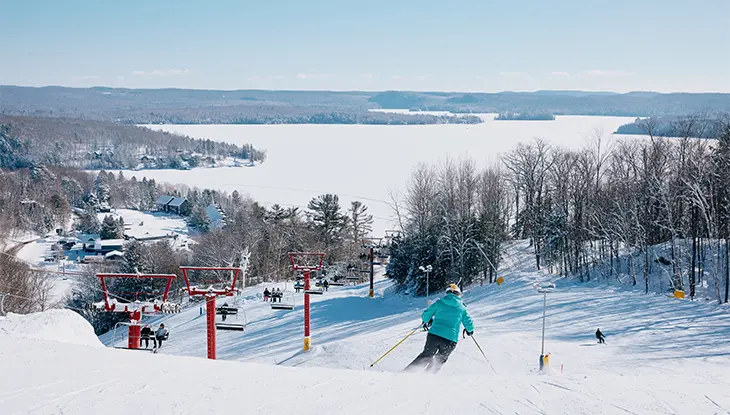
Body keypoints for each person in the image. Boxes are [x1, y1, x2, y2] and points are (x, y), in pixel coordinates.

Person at [405, 283, 474, 373]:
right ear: (459, 294)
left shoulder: (440, 303)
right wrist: (470, 330)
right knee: (439, 360)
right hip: (450, 339)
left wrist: (428, 320)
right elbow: (468, 321)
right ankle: (428, 377)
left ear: (447, 293)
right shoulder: (462, 308)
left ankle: (407, 373)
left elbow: (425, 316)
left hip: (434, 335)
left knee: (427, 355)